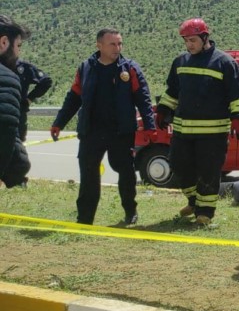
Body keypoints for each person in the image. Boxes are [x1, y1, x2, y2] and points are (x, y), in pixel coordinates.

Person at [51, 29, 155, 225]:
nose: (118, 48)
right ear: (99, 46)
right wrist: (59, 122)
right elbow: (73, 97)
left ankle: (130, 212)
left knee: (125, 171)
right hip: (91, 131)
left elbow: (143, 98)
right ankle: (85, 218)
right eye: (112, 44)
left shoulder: (129, 68)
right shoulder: (86, 68)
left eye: (120, 44)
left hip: (121, 131)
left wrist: (149, 125)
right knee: (88, 173)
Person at [156, 18, 239, 226]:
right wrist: (163, 109)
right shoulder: (180, 62)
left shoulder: (224, 62)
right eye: (186, 41)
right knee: (179, 166)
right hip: (182, 131)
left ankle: (205, 214)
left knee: (209, 172)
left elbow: (236, 96)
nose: (189, 45)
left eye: (193, 40)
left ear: (205, 37)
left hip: (213, 134)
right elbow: (172, 91)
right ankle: (194, 201)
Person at [0, 16, 30, 188]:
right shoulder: (6, 78)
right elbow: (5, 131)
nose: (18, 53)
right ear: (4, 42)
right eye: (18, 46)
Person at [15, 59, 52, 141]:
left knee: (17, 151)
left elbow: (46, 81)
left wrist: (29, 98)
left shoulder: (23, 67)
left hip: (18, 119)